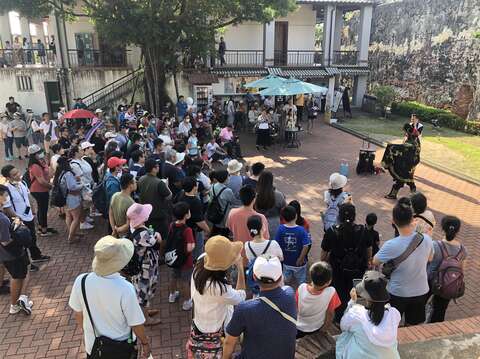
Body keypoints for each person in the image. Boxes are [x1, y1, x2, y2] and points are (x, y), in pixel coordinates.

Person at [68, 236, 152, 358]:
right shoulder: (125, 288)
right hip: (121, 348)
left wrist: (88, 333)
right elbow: (136, 324)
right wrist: (145, 343)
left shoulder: (81, 281)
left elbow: (78, 314)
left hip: (94, 347)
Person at [372, 197, 434, 326]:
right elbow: (430, 258)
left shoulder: (391, 245)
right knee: (413, 325)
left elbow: (375, 261)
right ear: (413, 220)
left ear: (393, 221)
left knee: (393, 324)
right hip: (421, 290)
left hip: (397, 292)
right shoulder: (427, 239)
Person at [223, 256, 297, 359]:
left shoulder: (244, 308)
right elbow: (283, 287)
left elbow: (229, 343)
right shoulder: (290, 292)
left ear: (254, 277)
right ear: (281, 277)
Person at [187, 236, 246, 358]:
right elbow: (241, 297)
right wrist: (240, 268)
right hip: (216, 330)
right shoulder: (219, 288)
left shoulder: (201, 261)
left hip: (199, 323)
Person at [321, 203, 372, 322]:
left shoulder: (332, 231)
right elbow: (369, 249)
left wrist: (325, 262)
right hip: (358, 269)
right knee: (355, 292)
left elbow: (323, 254)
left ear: (339, 216)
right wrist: (368, 260)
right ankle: (354, 317)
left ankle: (339, 318)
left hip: (338, 270)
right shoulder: (363, 231)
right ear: (354, 216)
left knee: (339, 293)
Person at [336, 271, 401, 359]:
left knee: (347, 334)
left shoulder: (356, 314)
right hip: (391, 357)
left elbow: (343, 326)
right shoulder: (394, 313)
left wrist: (352, 302)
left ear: (367, 297)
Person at [1, 165, 50, 270]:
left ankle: (36, 255)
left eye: (17, 172)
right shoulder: (7, 190)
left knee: (32, 237)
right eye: (14, 174)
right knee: (23, 241)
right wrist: (18, 218)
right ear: (8, 178)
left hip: (29, 216)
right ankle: (28, 264)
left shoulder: (22, 182)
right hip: (19, 220)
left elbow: (28, 197)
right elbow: (7, 208)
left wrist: (33, 211)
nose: (18, 175)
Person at [126, 203, 162, 326]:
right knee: (144, 292)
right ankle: (146, 318)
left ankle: (147, 311)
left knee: (147, 290)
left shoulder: (137, 229)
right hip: (144, 268)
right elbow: (156, 243)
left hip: (146, 266)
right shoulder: (142, 233)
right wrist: (157, 236)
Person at [0, 184, 33, 315]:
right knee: (17, 277)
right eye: (5, 195)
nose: (7, 197)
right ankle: (14, 305)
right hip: (12, 253)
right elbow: (5, 240)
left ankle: (21, 299)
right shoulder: (2, 219)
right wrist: (18, 231)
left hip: (8, 254)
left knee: (22, 273)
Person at [427, 216, 466, 323]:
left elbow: (427, 261)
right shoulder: (462, 250)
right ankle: (435, 329)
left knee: (421, 305)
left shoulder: (435, 245)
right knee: (440, 311)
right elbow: (462, 270)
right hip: (448, 283)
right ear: (457, 231)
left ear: (443, 229)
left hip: (430, 281)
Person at [296, 261, 341, 338]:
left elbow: (295, 307)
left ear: (311, 277)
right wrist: (325, 328)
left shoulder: (301, 288)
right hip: (316, 327)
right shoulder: (331, 292)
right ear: (329, 281)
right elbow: (330, 313)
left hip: (299, 326)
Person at [167, 202, 196, 310]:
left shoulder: (172, 225)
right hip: (185, 261)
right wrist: (193, 245)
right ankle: (187, 301)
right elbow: (189, 248)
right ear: (186, 215)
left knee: (174, 277)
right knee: (185, 281)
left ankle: (172, 295)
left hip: (174, 258)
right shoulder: (187, 230)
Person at [275, 205, 311, 286]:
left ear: (283, 218)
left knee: (285, 280)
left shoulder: (280, 229)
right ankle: (301, 294)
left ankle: (286, 292)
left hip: (286, 261)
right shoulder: (301, 230)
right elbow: (306, 245)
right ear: (296, 216)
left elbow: (276, 244)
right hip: (299, 264)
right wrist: (300, 258)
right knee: (301, 281)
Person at [383, 123, 421, 199]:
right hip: (409, 160)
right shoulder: (413, 137)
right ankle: (394, 194)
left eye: (404, 131)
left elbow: (406, 147)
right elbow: (405, 148)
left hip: (410, 162)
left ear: (407, 131)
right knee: (402, 178)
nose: (404, 133)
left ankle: (414, 196)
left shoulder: (413, 139)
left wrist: (392, 147)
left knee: (406, 177)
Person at [137, 159, 172, 241]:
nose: (158, 167)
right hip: (158, 216)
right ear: (153, 169)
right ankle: (160, 253)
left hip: (145, 216)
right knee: (161, 239)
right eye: (157, 166)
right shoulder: (159, 183)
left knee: (148, 238)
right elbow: (169, 196)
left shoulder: (141, 179)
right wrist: (166, 185)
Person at [176, 177, 210, 260]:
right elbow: (199, 221)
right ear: (194, 187)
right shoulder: (195, 201)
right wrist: (207, 230)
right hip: (194, 230)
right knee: (198, 252)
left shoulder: (181, 194)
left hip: (183, 226)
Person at [27, 144, 57, 237]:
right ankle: (43, 230)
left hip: (42, 189)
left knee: (41, 208)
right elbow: (41, 181)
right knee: (43, 210)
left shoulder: (40, 161)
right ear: (34, 155)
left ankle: (41, 227)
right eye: (38, 152)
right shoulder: (35, 166)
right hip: (39, 190)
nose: (41, 153)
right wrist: (50, 186)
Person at [55, 156, 84, 243]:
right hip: (72, 198)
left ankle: (73, 233)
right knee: (76, 217)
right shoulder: (68, 173)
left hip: (65, 198)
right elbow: (72, 187)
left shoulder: (60, 173)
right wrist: (81, 185)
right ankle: (71, 237)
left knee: (68, 216)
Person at [254, 171, 286, 239]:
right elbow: (284, 209)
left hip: (259, 223)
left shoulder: (255, 196)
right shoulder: (279, 195)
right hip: (275, 224)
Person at [209, 169, 237, 237]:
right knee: (224, 233)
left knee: (215, 229)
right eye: (228, 176)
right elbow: (233, 201)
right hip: (224, 215)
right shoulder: (227, 191)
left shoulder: (212, 186)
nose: (229, 178)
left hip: (215, 212)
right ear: (225, 179)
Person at [109, 173, 136, 238]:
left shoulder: (115, 195)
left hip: (116, 232)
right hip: (126, 235)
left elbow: (110, 214)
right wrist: (117, 230)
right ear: (130, 185)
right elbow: (128, 225)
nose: (136, 183)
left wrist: (114, 229)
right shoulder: (131, 203)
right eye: (135, 182)